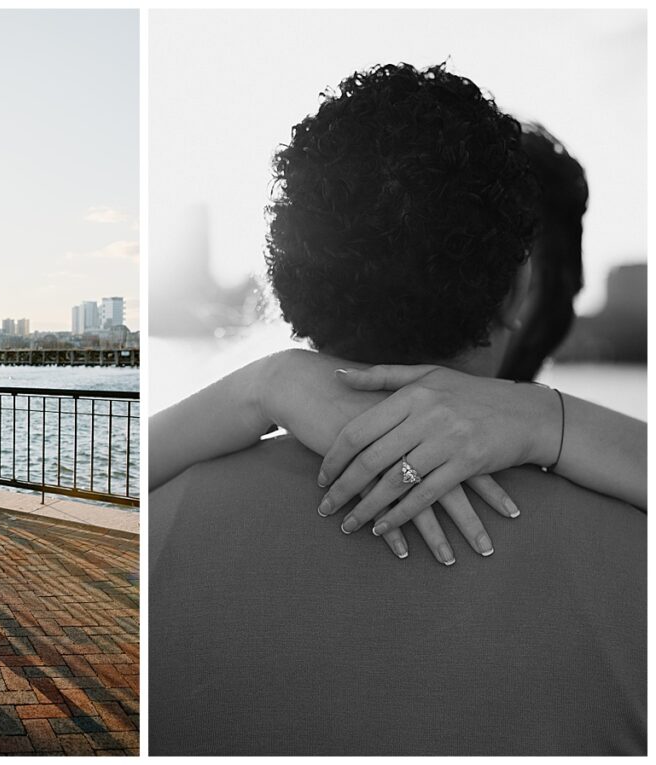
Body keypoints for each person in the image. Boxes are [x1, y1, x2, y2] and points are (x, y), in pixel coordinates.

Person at [149, 63, 645, 754]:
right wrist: (550, 418)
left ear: (287, 276)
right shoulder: (633, 567)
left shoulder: (156, 531)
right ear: (519, 287)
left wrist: (255, 387)